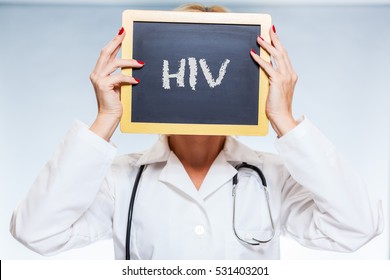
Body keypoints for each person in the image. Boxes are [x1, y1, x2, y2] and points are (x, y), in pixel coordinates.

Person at [10, 4, 383, 259]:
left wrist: (285, 121)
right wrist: (106, 120)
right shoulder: (121, 178)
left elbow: (357, 227)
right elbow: (35, 232)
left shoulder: (272, 176)